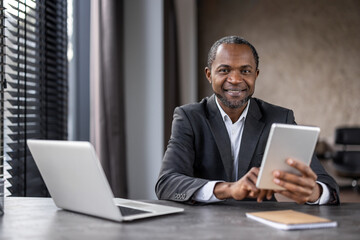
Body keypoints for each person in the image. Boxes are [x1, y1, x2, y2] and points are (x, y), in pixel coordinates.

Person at [155, 36, 339, 205]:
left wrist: (314, 192)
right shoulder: (188, 117)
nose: (235, 79)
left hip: (263, 225)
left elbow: (328, 186)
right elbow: (166, 184)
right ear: (209, 75)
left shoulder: (280, 118)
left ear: (256, 75)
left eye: (245, 70)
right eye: (224, 70)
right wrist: (228, 189)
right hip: (203, 226)